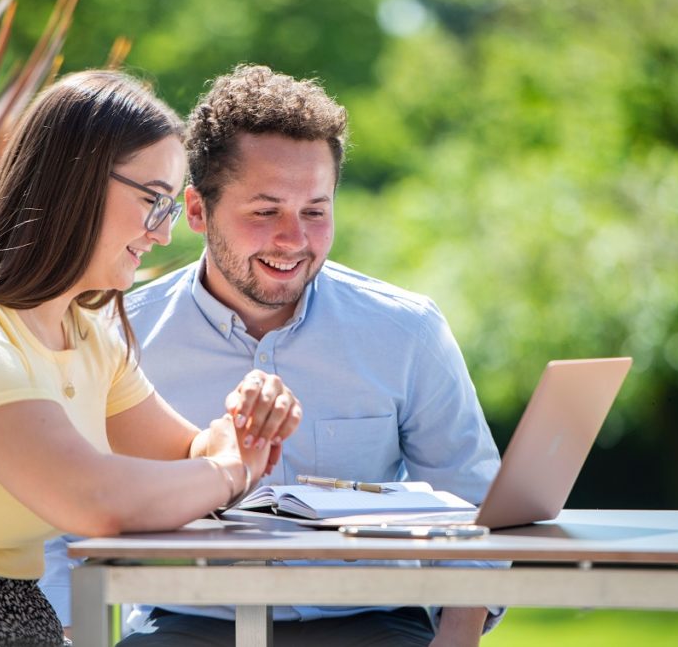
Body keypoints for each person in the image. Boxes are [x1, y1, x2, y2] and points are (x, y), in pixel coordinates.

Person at [0, 70, 301, 647]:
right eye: (153, 202)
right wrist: (230, 470)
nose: (163, 235)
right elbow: (92, 499)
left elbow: (188, 454)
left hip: (12, 619)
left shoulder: (88, 335)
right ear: (78, 183)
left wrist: (247, 423)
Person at [42, 64, 505, 646]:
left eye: (315, 210)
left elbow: (476, 504)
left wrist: (455, 639)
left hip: (375, 628)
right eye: (265, 211)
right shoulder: (115, 334)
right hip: (185, 626)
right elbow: (59, 521)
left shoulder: (406, 330)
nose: (294, 239)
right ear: (196, 212)